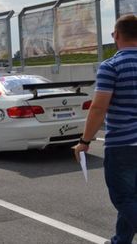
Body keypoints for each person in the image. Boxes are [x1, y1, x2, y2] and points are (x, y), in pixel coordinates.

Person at [73, 14, 137, 244]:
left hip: (122, 145)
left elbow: (99, 107)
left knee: (123, 197)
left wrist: (85, 141)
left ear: (117, 35)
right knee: (133, 197)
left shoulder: (111, 66)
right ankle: (120, 241)